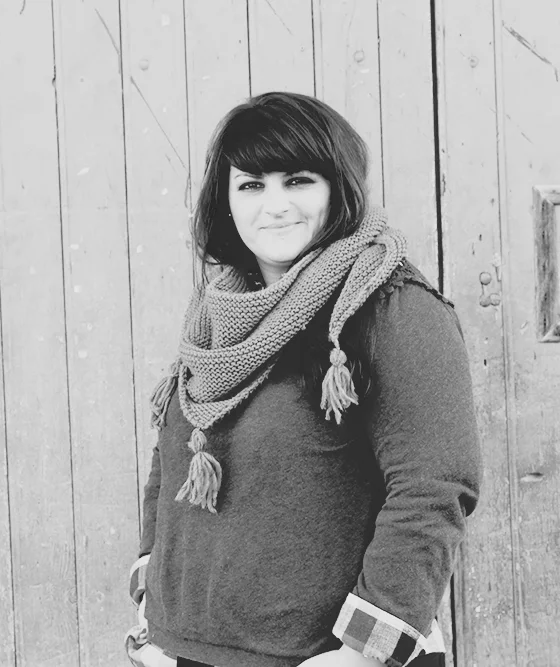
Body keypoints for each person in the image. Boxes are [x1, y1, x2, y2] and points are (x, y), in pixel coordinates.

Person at [125, 92, 482, 667]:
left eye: (297, 181)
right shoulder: (221, 313)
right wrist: (152, 595)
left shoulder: (391, 308)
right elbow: (172, 459)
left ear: (339, 188)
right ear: (225, 201)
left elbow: (433, 487)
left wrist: (362, 654)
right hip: (188, 652)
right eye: (251, 185)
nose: (275, 206)